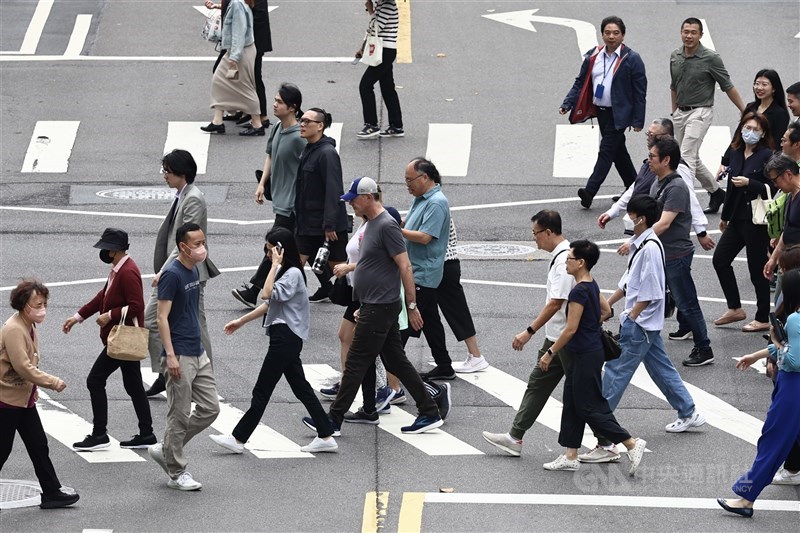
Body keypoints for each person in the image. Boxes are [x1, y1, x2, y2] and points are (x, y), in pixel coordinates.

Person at [302, 176, 444, 436]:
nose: (351, 205)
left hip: (381, 306)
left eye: (354, 200)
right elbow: (371, 264)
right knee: (396, 361)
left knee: (356, 361)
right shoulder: (371, 224)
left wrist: (411, 306)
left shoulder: (386, 225)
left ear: (368, 197)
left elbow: (405, 265)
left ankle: (332, 421)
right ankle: (429, 410)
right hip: (374, 304)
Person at [212, 228, 338, 454]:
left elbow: (266, 294)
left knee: (262, 390)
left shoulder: (292, 274)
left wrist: (274, 266)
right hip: (286, 337)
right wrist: (242, 320)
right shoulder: (288, 272)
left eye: (270, 250)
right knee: (301, 388)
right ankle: (326, 435)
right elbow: (271, 304)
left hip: (286, 338)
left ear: (281, 250)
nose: (268, 255)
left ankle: (238, 439)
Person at [538, 240, 646, 474]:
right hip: (588, 351)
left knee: (588, 406)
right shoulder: (591, 285)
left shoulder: (578, 292)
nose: (566, 262)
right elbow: (606, 311)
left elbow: (570, 329)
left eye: (569, 258)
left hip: (584, 354)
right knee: (572, 402)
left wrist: (550, 352)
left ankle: (630, 443)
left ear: (581, 263)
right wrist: (590, 325)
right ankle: (570, 455)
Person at [603, 196, 705, 437]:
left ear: (642, 219)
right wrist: (607, 305)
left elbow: (650, 291)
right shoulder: (640, 242)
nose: (628, 219)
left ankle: (601, 423)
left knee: (616, 371)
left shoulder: (649, 247)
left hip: (640, 324)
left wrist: (631, 318)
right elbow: (629, 282)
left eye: (631, 215)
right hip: (645, 323)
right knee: (660, 368)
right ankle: (688, 411)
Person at [482, 210, 575, 457]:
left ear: (548, 232)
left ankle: (611, 442)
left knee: (583, 395)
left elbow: (556, 302)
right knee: (537, 385)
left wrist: (528, 331)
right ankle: (515, 437)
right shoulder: (560, 257)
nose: (534, 239)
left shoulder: (566, 259)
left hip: (565, 340)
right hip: (556, 337)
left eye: (535, 233)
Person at [717, 268, 800, 517]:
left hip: (793, 388)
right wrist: (757, 354)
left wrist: (776, 343)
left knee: (772, 441)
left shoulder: (795, 320)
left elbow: (794, 360)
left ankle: (746, 497)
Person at [63, 228, 155, 451]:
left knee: (95, 380)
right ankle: (146, 433)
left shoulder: (128, 271)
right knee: (133, 385)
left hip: (122, 339)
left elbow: (137, 306)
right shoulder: (118, 269)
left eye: (105, 248)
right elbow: (102, 296)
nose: (103, 251)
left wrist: (110, 315)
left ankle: (99, 434)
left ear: (114, 250)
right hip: (122, 338)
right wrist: (78, 316)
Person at [148, 223, 220, 491]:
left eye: (203, 242)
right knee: (179, 414)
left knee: (211, 408)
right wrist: (170, 356)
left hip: (197, 351)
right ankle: (176, 472)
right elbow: (161, 317)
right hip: (179, 353)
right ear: (183, 247)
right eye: (197, 243)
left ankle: (167, 448)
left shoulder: (193, 268)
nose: (202, 248)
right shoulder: (173, 274)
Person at [144, 150, 219, 397]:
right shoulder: (183, 195)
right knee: (162, 319)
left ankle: (201, 372)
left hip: (187, 272)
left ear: (181, 173)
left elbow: (185, 244)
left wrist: (164, 271)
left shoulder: (193, 199)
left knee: (191, 322)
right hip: (179, 270)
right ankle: (165, 371)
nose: (164, 175)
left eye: (168, 171)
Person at [1, 279, 80, 509]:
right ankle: (52, 491)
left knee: (38, 445)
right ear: (24, 305)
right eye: (38, 304)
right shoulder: (15, 329)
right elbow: (23, 366)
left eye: (44, 303)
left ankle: (51, 491)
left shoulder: (27, 325)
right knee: (2, 449)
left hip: (22, 399)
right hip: (7, 400)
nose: (42, 308)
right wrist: (52, 382)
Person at [559, 15, 647, 208]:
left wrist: (638, 120)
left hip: (620, 114)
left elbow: (640, 92)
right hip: (601, 111)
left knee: (606, 150)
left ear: (623, 35)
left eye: (616, 33)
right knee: (618, 152)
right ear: (602, 34)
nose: (611, 37)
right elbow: (580, 82)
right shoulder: (594, 56)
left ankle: (590, 191)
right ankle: (636, 187)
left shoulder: (632, 59)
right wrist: (568, 103)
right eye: (607, 33)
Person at [642, 136, 715, 366]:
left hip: (675, 254)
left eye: (652, 157)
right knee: (652, 297)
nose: (648, 160)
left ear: (666, 160)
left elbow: (663, 223)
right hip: (661, 252)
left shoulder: (676, 187)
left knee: (687, 301)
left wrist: (638, 239)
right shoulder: (658, 183)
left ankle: (704, 348)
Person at [232, 83, 306, 308]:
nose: (274, 105)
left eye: (279, 102)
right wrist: (262, 184)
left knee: (275, 246)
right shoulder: (276, 128)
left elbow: (309, 169)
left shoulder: (298, 137)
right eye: (275, 100)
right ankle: (330, 286)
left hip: (292, 203)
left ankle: (254, 290)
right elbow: (270, 156)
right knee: (299, 248)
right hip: (280, 197)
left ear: (292, 108)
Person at [598, 117, 714, 254]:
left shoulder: (677, 168)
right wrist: (613, 211)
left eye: (652, 135)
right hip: (645, 229)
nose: (648, 138)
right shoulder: (651, 163)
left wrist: (701, 232)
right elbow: (636, 187)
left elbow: (691, 200)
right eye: (648, 134)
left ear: (666, 137)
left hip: (662, 238)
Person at [670, 17, 745, 215]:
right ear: (681, 32)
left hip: (700, 112)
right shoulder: (675, 55)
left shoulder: (711, 58)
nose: (689, 36)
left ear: (701, 35)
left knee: (685, 159)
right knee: (691, 156)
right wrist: (674, 111)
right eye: (685, 31)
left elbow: (727, 85)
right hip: (681, 112)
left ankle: (682, 205)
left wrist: (745, 111)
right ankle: (716, 192)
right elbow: (673, 86)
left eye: (693, 32)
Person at [712, 112, 776, 332]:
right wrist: (724, 216)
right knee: (720, 260)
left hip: (756, 220)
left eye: (756, 130)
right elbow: (730, 187)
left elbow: (774, 188)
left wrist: (751, 183)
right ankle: (735, 308)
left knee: (757, 269)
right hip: (736, 218)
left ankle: (762, 317)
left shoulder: (767, 155)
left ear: (763, 133)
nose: (750, 132)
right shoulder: (735, 151)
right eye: (747, 128)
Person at [400, 158, 453, 380]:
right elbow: (414, 225)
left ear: (424, 178)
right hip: (419, 269)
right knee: (430, 321)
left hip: (422, 272)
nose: (407, 185)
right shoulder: (421, 198)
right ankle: (444, 365)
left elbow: (425, 237)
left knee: (402, 322)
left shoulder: (436, 203)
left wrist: (396, 231)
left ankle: (389, 367)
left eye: (409, 180)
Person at [295, 107, 350, 302]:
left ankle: (358, 298)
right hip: (306, 224)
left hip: (324, 225)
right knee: (294, 265)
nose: (302, 125)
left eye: (306, 122)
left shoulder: (327, 153)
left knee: (339, 268)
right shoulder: (309, 149)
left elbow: (334, 190)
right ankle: (282, 301)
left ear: (320, 126)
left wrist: (330, 224)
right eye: (301, 120)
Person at [200, 0, 265, 136]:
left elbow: (239, 33)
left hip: (240, 52)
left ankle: (257, 124)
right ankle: (217, 122)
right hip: (239, 50)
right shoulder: (239, 2)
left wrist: (234, 57)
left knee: (246, 87)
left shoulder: (237, 4)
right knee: (219, 82)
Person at [355, 0, 404, 139]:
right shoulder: (381, 3)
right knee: (387, 87)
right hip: (382, 49)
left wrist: (370, 10)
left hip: (385, 51)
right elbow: (372, 28)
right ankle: (396, 126)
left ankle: (371, 125)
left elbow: (377, 26)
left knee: (365, 85)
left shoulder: (388, 4)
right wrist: (363, 47)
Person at [763, 154, 800, 282]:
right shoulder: (790, 196)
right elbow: (788, 229)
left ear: (788, 174)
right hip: (788, 264)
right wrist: (774, 258)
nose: (775, 185)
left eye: (775, 180)